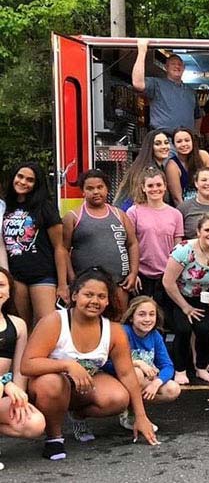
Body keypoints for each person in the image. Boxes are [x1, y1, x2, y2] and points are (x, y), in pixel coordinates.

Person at [21, 267, 158, 460]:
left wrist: (141, 417)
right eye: (88, 294)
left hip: (83, 386)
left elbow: (127, 374)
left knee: (118, 398)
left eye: (101, 296)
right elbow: (27, 365)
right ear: (75, 295)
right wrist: (67, 365)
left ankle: (77, 415)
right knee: (51, 384)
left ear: (108, 301)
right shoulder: (55, 321)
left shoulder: (114, 330)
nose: (95, 301)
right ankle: (54, 437)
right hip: (48, 385)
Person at [162, 214, 209, 384]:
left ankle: (201, 368)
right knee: (183, 330)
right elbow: (168, 282)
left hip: (201, 297)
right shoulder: (184, 250)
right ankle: (180, 370)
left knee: (205, 330)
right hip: (176, 295)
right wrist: (185, 307)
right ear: (198, 232)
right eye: (207, 230)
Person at [2, 162, 69, 327]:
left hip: (43, 274)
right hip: (15, 276)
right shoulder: (5, 206)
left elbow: (59, 247)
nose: (23, 182)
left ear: (37, 184)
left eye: (30, 180)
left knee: (47, 324)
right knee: (21, 324)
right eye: (20, 176)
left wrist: (62, 284)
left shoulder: (45, 207)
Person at [62, 170, 139, 313]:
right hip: (85, 285)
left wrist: (133, 273)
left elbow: (132, 244)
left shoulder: (120, 215)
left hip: (119, 282)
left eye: (100, 187)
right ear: (83, 191)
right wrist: (72, 279)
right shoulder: (73, 217)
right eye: (90, 188)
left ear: (107, 189)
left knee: (118, 319)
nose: (96, 192)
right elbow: (63, 250)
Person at [113, 296, 181, 429]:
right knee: (137, 373)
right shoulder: (123, 332)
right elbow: (108, 363)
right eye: (142, 314)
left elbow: (167, 366)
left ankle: (130, 410)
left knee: (173, 389)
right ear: (131, 317)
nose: (147, 319)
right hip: (117, 380)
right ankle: (134, 416)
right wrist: (138, 363)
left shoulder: (155, 335)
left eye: (152, 314)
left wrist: (157, 382)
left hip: (141, 381)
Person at [0, 267, 45, 466]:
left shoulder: (17, 325)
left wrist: (18, 396)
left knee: (34, 423)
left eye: (1, 285)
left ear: (10, 291)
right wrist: (5, 383)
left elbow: (20, 368)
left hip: (3, 390)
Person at [126, 167, 184, 308]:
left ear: (165, 186)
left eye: (158, 185)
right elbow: (128, 244)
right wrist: (133, 273)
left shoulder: (175, 214)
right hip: (141, 274)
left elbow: (178, 249)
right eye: (150, 186)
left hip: (167, 274)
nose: (155, 189)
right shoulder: (134, 212)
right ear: (143, 188)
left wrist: (176, 276)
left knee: (165, 316)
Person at [132, 38, 200, 133]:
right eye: (173, 64)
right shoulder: (156, 84)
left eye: (180, 64)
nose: (177, 66)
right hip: (163, 138)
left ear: (184, 68)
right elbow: (137, 83)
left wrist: (196, 134)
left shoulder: (191, 92)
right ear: (166, 67)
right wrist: (142, 51)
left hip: (185, 139)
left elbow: (198, 117)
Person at [114, 129, 172, 211]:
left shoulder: (145, 165)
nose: (164, 147)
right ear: (149, 147)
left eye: (166, 143)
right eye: (157, 144)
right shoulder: (149, 171)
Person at [165, 127, 209, 205]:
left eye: (187, 140)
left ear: (192, 141)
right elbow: (177, 198)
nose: (183, 144)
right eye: (179, 141)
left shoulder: (203, 155)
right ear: (174, 145)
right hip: (186, 208)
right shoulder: (172, 165)